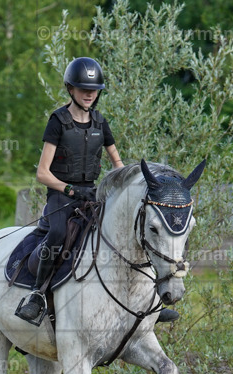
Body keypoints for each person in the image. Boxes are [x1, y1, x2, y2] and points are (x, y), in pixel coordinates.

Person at [15, 57, 179, 325]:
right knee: (57, 234)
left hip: (93, 194)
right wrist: (69, 190)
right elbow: (42, 173)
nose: (90, 94)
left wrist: (126, 193)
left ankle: (149, 302)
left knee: (130, 233)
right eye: (83, 89)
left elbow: (119, 166)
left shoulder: (100, 123)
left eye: (94, 90)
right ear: (70, 89)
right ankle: (38, 294)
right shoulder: (57, 121)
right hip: (61, 195)